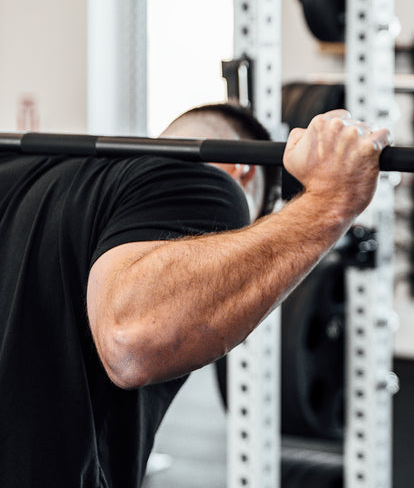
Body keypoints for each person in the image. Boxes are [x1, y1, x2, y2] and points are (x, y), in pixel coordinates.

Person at [0, 102, 390, 487]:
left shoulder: (21, 171)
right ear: (245, 171)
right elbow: (132, 340)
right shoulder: (205, 180)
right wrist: (329, 202)